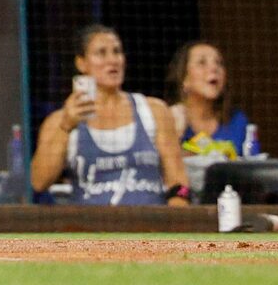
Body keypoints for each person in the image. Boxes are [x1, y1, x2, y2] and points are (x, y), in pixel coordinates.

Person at [30, 24, 187, 204]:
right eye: (101, 53)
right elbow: (38, 182)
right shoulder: (58, 121)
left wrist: (177, 218)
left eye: (117, 52)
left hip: (150, 228)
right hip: (89, 229)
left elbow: (180, 182)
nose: (113, 60)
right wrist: (66, 127)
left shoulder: (154, 110)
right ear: (81, 63)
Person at [163, 40, 260, 165]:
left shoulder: (237, 120)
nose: (214, 68)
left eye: (219, 63)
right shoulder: (167, 118)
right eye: (202, 63)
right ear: (184, 79)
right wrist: (176, 133)